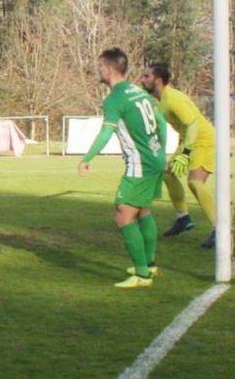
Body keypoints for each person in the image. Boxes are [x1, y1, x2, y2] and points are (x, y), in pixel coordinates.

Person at [78, 48, 166, 289]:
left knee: (123, 214)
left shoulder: (115, 99)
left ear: (107, 69)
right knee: (143, 211)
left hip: (141, 164)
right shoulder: (139, 91)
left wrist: (87, 158)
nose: (98, 71)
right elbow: (160, 122)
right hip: (155, 158)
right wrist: (161, 150)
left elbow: (107, 131)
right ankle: (149, 264)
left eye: (99, 67)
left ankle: (142, 275)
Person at [139, 63, 218, 248]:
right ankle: (183, 218)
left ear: (157, 80)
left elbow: (193, 125)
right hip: (187, 142)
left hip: (204, 140)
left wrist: (186, 153)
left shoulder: (173, 98)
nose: (142, 80)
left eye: (146, 76)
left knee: (194, 182)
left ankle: (220, 228)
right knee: (167, 173)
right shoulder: (161, 100)